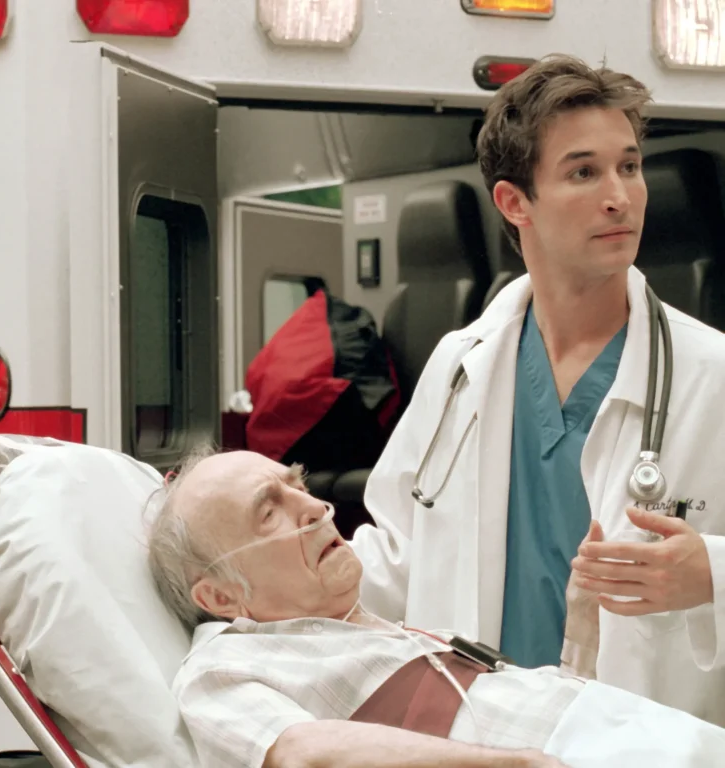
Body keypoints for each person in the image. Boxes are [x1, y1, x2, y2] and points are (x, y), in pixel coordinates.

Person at [353, 54, 725, 724]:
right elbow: (395, 558)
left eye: (630, 166)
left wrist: (712, 575)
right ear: (514, 202)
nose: (620, 196)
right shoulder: (459, 367)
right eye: (584, 172)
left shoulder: (711, 374)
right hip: (482, 735)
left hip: (640, 742)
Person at [147, 448, 725, 768]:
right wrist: (519, 766)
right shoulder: (222, 668)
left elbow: (526, 715)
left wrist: (581, 627)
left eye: (298, 485)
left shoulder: (384, 636)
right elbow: (305, 754)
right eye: (269, 511)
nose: (317, 507)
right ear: (219, 596)